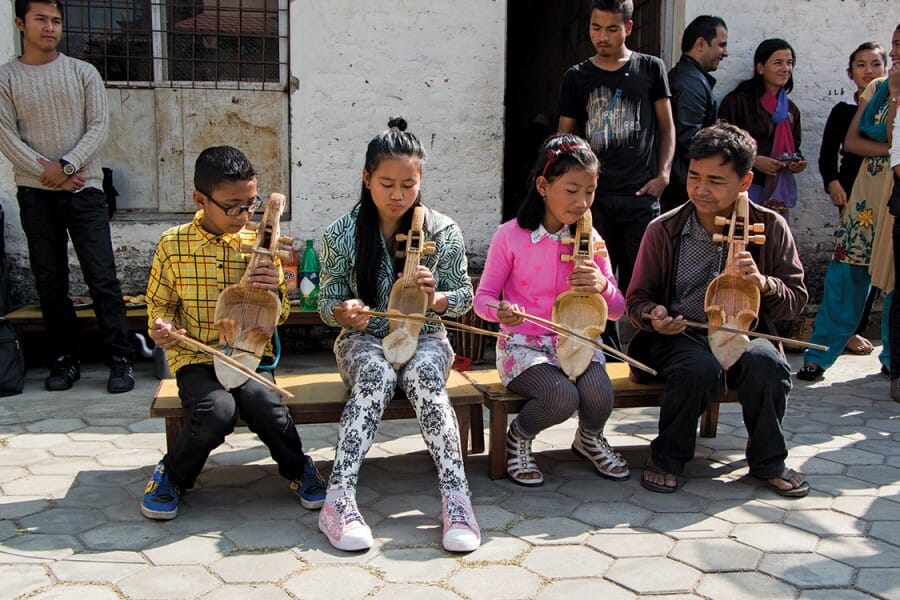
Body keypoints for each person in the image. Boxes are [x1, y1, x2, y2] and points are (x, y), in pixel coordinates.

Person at [316, 117, 480, 553]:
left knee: (425, 378)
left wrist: (436, 298)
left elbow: (464, 297)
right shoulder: (341, 233)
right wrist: (343, 311)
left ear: (421, 180)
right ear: (366, 178)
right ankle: (338, 498)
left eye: (408, 184)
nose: (397, 195)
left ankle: (457, 498)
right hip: (365, 336)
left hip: (425, 334)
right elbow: (325, 301)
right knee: (377, 376)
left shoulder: (442, 231)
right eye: (386, 183)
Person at [140, 146, 327, 521]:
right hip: (197, 355)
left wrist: (274, 289)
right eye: (232, 206)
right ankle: (171, 476)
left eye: (251, 204)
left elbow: (280, 314)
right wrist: (161, 328)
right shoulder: (173, 244)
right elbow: (159, 306)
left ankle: (298, 469)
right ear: (200, 199)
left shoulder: (261, 242)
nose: (245, 215)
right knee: (217, 412)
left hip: (250, 349)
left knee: (267, 406)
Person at [625, 122, 810, 497]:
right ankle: (668, 458)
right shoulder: (665, 229)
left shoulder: (770, 227)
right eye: (694, 176)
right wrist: (655, 317)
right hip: (682, 334)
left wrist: (762, 282)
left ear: (745, 181)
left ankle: (768, 461)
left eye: (715, 180)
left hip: (746, 330)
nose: (701, 189)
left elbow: (796, 300)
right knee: (699, 367)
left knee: (768, 365)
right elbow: (636, 300)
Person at [473, 134, 628, 486]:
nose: (582, 202)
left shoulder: (593, 240)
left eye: (589, 191)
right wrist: (502, 312)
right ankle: (519, 437)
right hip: (523, 346)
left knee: (600, 395)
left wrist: (602, 287)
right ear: (543, 185)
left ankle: (588, 438)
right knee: (560, 395)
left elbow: (618, 310)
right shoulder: (510, 236)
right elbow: (481, 300)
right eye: (571, 190)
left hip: (580, 342)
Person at [0, 0, 134, 393]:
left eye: (56, 21)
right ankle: (64, 360)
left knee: (102, 276)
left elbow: (98, 127)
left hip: (85, 190)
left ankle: (120, 359)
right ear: (20, 23)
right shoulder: (6, 78)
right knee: (50, 279)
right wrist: (50, 172)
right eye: (41, 19)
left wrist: (69, 167)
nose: (50, 27)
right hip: (36, 193)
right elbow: (6, 135)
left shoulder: (83, 72)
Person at [557, 0, 674, 348]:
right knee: (594, 277)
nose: (602, 37)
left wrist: (663, 175)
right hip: (593, 201)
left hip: (640, 195)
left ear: (628, 28)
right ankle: (602, 352)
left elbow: (667, 127)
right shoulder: (577, 77)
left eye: (611, 29)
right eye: (596, 28)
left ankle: (647, 350)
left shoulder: (650, 69)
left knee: (643, 280)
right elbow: (564, 137)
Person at [798, 26, 900, 382]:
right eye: (896, 44)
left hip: (897, 196)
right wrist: (892, 151)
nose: (897, 52)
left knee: (894, 279)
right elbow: (853, 143)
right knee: (845, 273)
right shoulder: (877, 90)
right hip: (866, 196)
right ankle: (821, 353)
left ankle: (893, 356)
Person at [818, 42, 888, 358]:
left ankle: (856, 329)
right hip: (852, 192)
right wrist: (832, 183)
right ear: (850, 72)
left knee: (879, 267)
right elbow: (827, 154)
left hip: (886, 193)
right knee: (852, 264)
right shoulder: (844, 112)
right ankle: (843, 333)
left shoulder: (890, 110)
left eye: (875, 64)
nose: (868, 71)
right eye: (861, 65)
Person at [719, 39, 807, 223]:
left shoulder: (791, 111)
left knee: (772, 244)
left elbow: (794, 147)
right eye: (778, 62)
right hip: (744, 188)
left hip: (776, 192)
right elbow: (723, 142)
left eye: (789, 63)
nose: (785, 68)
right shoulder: (738, 102)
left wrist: (795, 162)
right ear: (760, 67)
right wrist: (753, 160)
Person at [660, 15, 728, 214]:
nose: (725, 53)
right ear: (700, 43)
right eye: (721, 45)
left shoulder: (691, 79)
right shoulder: (689, 83)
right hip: (680, 189)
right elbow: (690, 141)